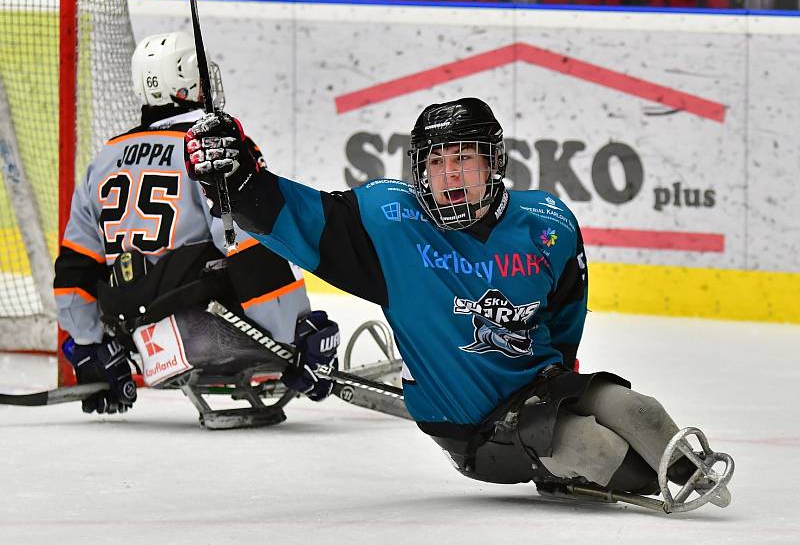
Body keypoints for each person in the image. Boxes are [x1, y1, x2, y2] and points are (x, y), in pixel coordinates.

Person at [183, 97, 733, 508]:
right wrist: (240, 177)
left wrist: (565, 377)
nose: (450, 176)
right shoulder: (388, 223)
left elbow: (566, 312)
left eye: (465, 159)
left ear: (493, 163)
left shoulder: (547, 222)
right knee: (595, 450)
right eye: (437, 161)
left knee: (640, 411)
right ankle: (630, 476)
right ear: (420, 167)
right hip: (472, 428)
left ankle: (686, 475)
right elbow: (297, 217)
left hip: (538, 387)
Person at [53, 31, 338, 427]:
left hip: (136, 339)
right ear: (186, 83)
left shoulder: (103, 158)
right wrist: (297, 335)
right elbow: (245, 243)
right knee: (254, 226)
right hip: (203, 329)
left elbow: (76, 263)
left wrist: (89, 348)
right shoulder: (211, 147)